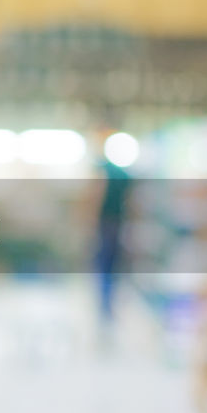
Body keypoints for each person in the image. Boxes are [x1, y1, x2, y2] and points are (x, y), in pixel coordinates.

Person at [92, 127, 131, 328]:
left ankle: (105, 306)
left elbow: (96, 196)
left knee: (104, 266)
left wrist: (88, 221)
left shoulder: (105, 170)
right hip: (119, 224)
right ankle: (108, 304)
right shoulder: (125, 174)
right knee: (113, 267)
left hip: (106, 223)